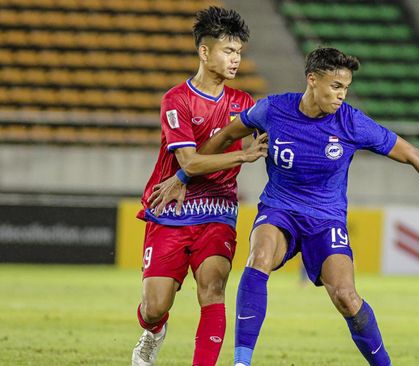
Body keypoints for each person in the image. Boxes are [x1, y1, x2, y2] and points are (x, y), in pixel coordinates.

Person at [150, 47, 419, 366]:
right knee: (259, 258)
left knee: (345, 296)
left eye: (346, 88)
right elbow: (225, 135)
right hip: (279, 209)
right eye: (336, 86)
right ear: (312, 79)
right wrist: (182, 175)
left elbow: (413, 155)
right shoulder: (273, 110)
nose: (342, 94)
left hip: (326, 220)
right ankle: (242, 361)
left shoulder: (351, 123)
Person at [130, 7, 268, 366]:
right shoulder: (176, 100)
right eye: (228, 51)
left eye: (238, 52)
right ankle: (153, 331)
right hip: (170, 211)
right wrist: (242, 157)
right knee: (155, 306)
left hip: (218, 210)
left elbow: (275, 139)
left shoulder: (243, 104)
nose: (235, 59)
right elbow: (189, 162)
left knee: (214, 287)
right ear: (204, 52)